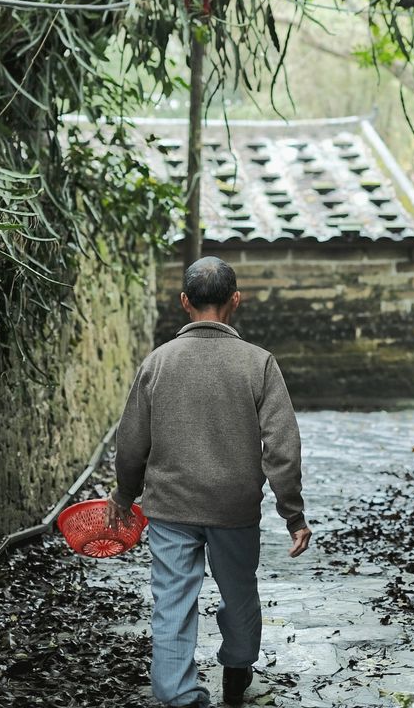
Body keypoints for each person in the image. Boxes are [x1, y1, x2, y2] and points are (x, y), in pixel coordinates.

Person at [106, 256, 311, 708]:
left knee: (172, 601)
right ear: (235, 301)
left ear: (184, 302)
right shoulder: (258, 364)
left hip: (170, 509)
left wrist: (124, 494)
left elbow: (131, 441)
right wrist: (292, 514)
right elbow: (282, 448)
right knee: (239, 591)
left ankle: (179, 696)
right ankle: (237, 670)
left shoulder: (157, 363)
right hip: (233, 509)